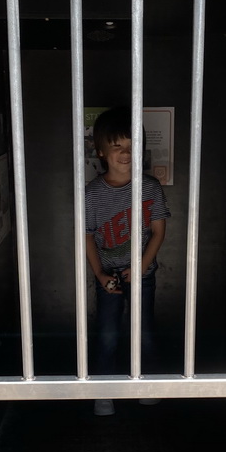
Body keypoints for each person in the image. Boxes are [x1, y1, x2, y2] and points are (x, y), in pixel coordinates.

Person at [85, 106, 170, 416]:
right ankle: (103, 392)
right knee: (107, 332)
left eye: (132, 145)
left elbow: (159, 233)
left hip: (143, 274)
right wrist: (99, 275)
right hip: (108, 276)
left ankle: (146, 384)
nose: (125, 153)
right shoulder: (92, 194)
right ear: (102, 151)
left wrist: (139, 266)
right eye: (117, 146)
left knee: (144, 329)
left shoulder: (150, 187)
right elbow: (87, 238)